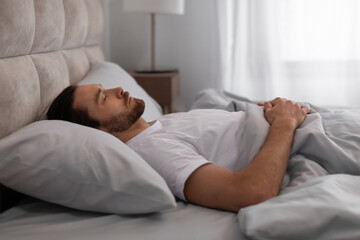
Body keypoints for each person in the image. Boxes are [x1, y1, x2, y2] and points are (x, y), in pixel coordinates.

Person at [47, 84, 311, 212]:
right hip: (303, 137)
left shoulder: (154, 124)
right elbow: (252, 193)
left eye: (105, 87)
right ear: (98, 131)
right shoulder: (153, 151)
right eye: (103, 98)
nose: (119, 90)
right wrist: (285, 122)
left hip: (296, 120)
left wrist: (269, 111)